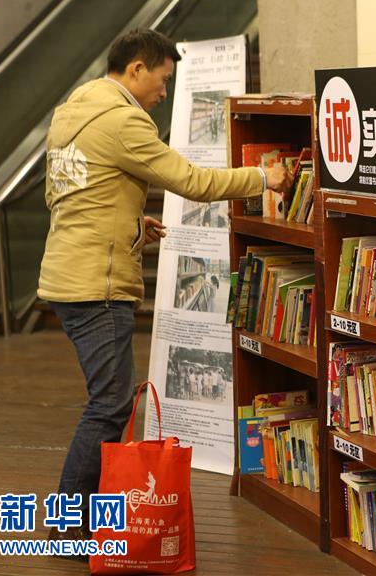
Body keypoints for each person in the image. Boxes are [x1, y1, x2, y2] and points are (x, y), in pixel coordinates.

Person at [37, 29, 292, 542]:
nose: (163, 93)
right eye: (161, 79)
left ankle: (74, 522)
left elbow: (67, 194)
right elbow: (193, 181)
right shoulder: (123, 119)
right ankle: (66, 527)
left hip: (66, 274)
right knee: (107, 406)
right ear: (135, 69)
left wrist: (131, 225)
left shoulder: (70, 111)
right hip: (96, 286)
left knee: (104, 401)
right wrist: (263, 180)